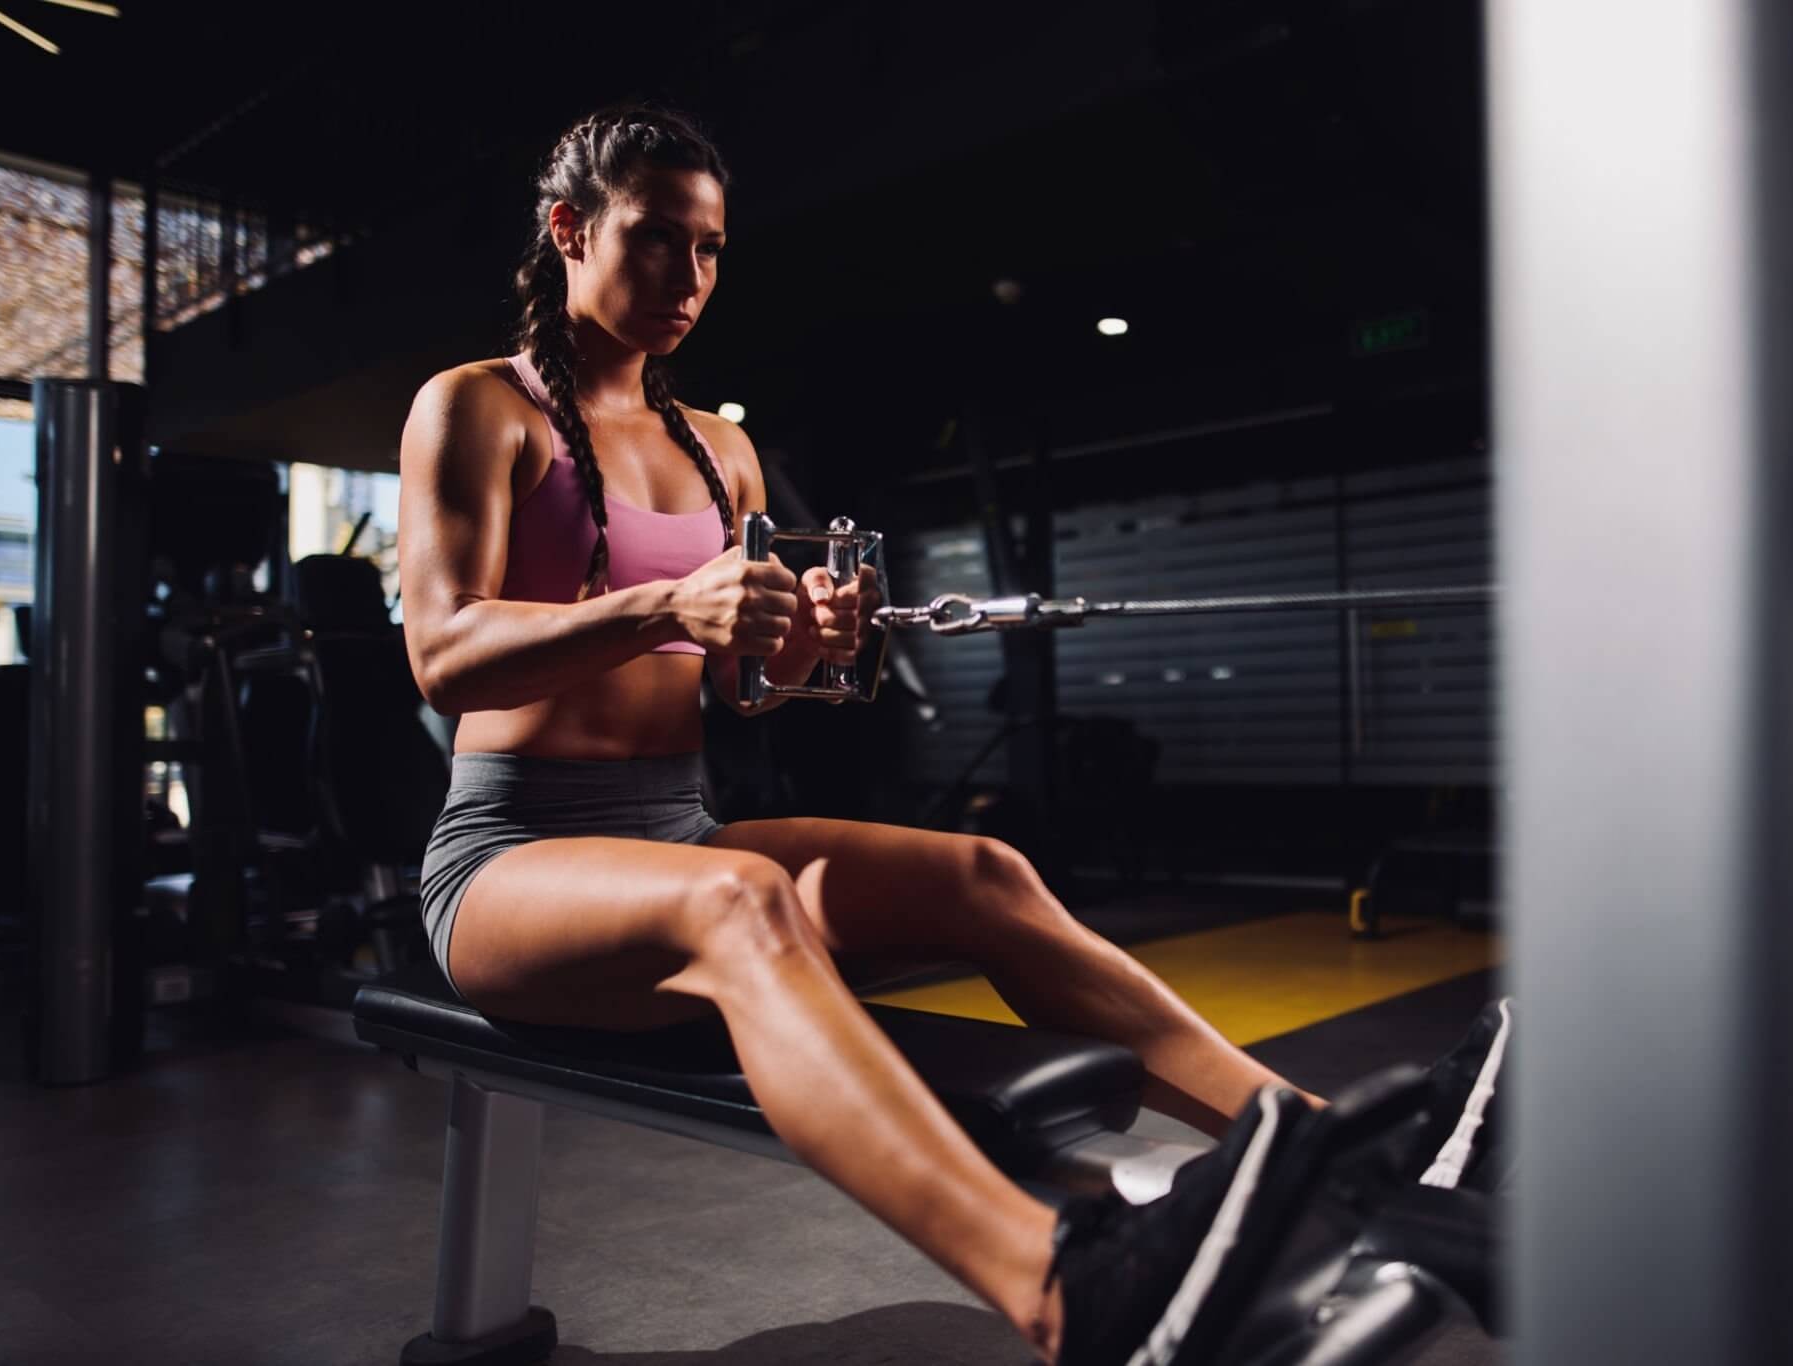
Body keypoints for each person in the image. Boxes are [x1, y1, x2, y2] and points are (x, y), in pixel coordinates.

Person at [398, 102, 1433, 1365]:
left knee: (979, 872)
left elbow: (734, 694)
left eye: (712, 248)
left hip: (672, 820)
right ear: (568, 228)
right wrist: (669, 598)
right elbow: (443, 657)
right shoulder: (475, 409)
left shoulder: (720, 449)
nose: (689, 275)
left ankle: (1357, 1164)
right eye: (657, 239)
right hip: (508, 858)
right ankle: (1063, 1291)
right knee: (734, 901)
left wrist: (791, 645)